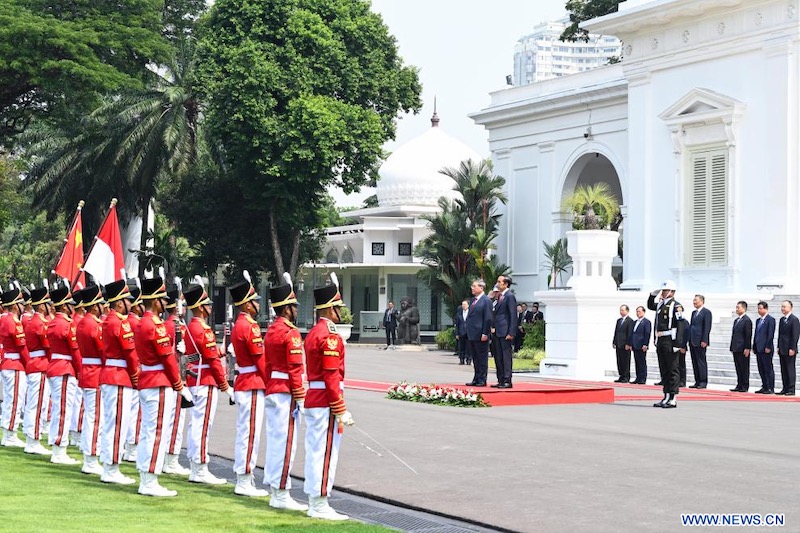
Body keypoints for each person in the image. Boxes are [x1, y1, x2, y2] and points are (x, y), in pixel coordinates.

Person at [134, 276, 193, 497]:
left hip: (148, 380)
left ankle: (146, 476)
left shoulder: (142, 323)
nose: (165, 303)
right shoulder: (155, 326)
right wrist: (179, 385)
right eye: (162, 299)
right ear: (156, 301)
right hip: (158, 382)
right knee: (157, 431)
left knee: (149, 431)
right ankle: (149, 479)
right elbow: (167, 358)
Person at [304, 278, 354, 520]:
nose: (340, 312)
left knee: (316, 450)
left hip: (316, 397)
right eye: (338, 307)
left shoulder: (315, 332)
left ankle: (315, 499)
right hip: (326, 400)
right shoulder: (330, 335)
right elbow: (331, 374)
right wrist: (340, 407)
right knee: (324, 453)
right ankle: (320, 502)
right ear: (329, 308)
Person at [263, 280, 307, 510]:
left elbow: (267, 364)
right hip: (286, 391)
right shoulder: (291, 332)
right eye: (294, 306)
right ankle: (281, 492)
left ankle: (275, 489)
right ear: (287, 308)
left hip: (273, 387)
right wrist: (300, 396)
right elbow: (295, 368)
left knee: (275, 441)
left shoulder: (271, 330)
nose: (296, 310)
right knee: (286, 443)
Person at [183, 282, 231, 485]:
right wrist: (225, 386)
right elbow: (212, 361)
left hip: (194, 378)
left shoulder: (190, 327)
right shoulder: (204, 329)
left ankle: (195, 464)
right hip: (205, 380)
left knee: (196, 423)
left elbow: (202, 354)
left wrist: (221, 350)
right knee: (203, 425)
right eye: (207, 304)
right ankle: (200, 467)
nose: (211, 307)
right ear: (201, 307)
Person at [228, 276, 270, 497]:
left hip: (245, 381)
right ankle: (244, 478)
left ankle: (244, 476)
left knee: (246, 431)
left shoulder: (240, 325)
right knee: (250, 433)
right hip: (252, 383)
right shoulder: (250, 327)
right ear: (246, 304)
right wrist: (270, 383)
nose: (257, 305)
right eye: (254, 301)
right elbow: (260, 360)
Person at [99, 279, 140, 485]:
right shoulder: (120, 322)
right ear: (119, 302)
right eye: (127, 300)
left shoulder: (109, 320)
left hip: (112, 374)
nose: (130, 304)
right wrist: (136, 375)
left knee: (113, 423)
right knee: (117, 425)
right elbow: (130, 353)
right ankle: (112, 468)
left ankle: (110, 465)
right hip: (119, 376)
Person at [46, 286, 82, 465]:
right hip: (65, 369)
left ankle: (58, 446)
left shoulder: (53, 322)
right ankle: (59, 449)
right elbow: (75, 351)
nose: (73, 307)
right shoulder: (67, 324)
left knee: (59, 410)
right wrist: (80, 371)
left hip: (56, 366)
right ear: (64, 306)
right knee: (63, 411)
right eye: (70, 304)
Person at [74, 285, 107, 475]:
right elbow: (103, 350)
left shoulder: (82, 322)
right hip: (95, 373)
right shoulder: (94, 325)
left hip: (88, 370)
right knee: (95, 418)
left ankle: (90, 453)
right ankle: (91, 458)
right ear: (95, 306)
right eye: (100, 303)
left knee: (91, 416)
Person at [161, 286, 190, 477]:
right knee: (176, 421)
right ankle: (171, 458)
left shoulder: (171, 324)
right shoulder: (174, 326)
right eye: (183, 305)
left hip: (176, 376)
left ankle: (169, 457)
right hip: (176, 378)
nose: (185, 308)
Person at [22, 287, 52, 455]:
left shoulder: (34, 321)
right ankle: (33, 440)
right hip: (40, 364)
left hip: (36, 363)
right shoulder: (40, 322)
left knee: (36, 403)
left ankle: (32, 438)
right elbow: (48, 346)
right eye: (47, 303)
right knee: (38, 403)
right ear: (42, 306)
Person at [647, 280, 685, 408]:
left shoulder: (676, 306)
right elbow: (650, 305)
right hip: (661, 340)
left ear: (672, 292)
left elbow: (680, 325)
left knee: (673, 369)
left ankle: (673, 398)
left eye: (665, 291)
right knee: (664, 369)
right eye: (662, 291)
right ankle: (666, 396)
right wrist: (652, 295)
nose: (663, 293)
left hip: (670, 340)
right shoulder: (660, 305)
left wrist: (678, 343)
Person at [0, 287, 29, 447]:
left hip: (7, 362)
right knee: (15, 401)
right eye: (20, 303)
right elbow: (22, 347)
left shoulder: (4, 319)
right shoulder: (13, 321)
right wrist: (28, 364)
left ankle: (8, 433)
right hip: (15, 364)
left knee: (10, 400)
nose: (23, 306)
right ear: (14, 305)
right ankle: (10, 434)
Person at [124, 285, 144, 462]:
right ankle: (132, 446)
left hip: (129, 369)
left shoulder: (128, 321)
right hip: (135, 368)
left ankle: (128, 446)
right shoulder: (135, 323)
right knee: (135, 412)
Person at [465, 279, 492, 387]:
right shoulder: (473, 300)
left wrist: (485, 333)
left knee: (482, 358)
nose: (472, 288)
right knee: (475, 358)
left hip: (481, 334)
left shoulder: (486, 300)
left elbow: (488, 318)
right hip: (472, 333)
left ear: (481, 288)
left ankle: (482, 379)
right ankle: (476, 378)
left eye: (474, 286)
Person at [491, 275, 517, 389]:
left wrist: (511, 332)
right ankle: (500, 379)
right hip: (497, 331)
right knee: (498, 356)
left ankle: (507, 380)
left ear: (506, 284)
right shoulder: (499, 296)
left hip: (505, 331)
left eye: (499, 282)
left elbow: (513, 315)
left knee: (506, 356)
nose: (497, 284)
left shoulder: (509, 296)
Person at [688, 294, 712, 389]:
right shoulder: (694, 313)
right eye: (694, 300)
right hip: (692, 340)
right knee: (694, 361)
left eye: (696, 300)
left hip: (700, 341)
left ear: (702, 301)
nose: (694, 302)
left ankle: (703, 381)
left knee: (701, 361)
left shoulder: (706, 312)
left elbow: (707, 327)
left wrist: (704, 340)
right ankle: (697, 381)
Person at [776, 300, 799, 396]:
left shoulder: (794, 320)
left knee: (790, 369)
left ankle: (791, 389)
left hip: (790, 348)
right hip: (782, 348)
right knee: (783, 369)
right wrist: (778, 346)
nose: (783, 308)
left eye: (784, 307)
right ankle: (785, 388)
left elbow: (795, 335)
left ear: (790, 307)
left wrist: (792, 348)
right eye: (782, 306)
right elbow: (780, 334)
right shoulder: (782, 320)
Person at [753, 301, 776, 394]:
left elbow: (770, 334)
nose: (759, 310)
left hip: (766, 348)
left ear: (766, 309)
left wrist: (768, 346)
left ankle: (770, 387)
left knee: (768, 368)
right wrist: (754, 345)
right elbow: (756, 334)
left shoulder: (770, 320)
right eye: (758, 308)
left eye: (761, 308)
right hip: (759, 347)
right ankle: (764, 386)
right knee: (761, 368)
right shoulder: (758, 321)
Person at [729, 301, 753, 393]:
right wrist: (732, 346)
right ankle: (739, 384)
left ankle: (745, 385)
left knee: (744, 367)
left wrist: (747, 348)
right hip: (736, 347)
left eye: (738, 307)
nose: (737, 309)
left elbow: (748, 335)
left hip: (743, 348)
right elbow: (734, 334)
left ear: (744, 308)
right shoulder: (736, 320)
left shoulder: (747, 320)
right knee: (738, 367)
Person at [628, 306, 651, 384]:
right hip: (635, 344)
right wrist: (631, 344)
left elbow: (647, 333)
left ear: (643, 312)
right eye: (637, 311)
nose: (638, 313)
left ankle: (642, 378)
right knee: (637, 362)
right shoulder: (635, 322)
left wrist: (645, 344)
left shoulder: (646, 322)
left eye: (639, 311)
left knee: (642, 362)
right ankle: (638, 378)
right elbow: (632, 333)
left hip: (641, 345)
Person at [612, 305, 634, 383]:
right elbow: (616, 332)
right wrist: (614, 341)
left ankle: (626, 377)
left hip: (625, 344)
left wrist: (628, 343)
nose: (621, 312)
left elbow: (630, 333)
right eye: (620, 310)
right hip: (618, 343)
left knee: (625, 361)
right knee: (619, 360)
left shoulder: (630, 321)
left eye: (622, 310)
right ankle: (621, 376)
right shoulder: (619, 320)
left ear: (627, 311)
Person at [675, 304, 690, 387]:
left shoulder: (685, 322)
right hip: (673, 346)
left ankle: (682, 381)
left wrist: (683, 346)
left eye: (679, 310)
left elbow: (686, 335)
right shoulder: (673, 322)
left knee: (681, 364)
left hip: (681, 346)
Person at [455, 300, 469, 365]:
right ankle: (461, 360)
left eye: (465, 304)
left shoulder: (471, 313)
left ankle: (468, 359)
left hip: (469, 332)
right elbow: (457, 324)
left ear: (468, 305)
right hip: (461, 332)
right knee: (461, 347)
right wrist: (457, 333)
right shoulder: (459, 313)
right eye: (463, 304)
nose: (463, 306)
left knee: (469, 347)